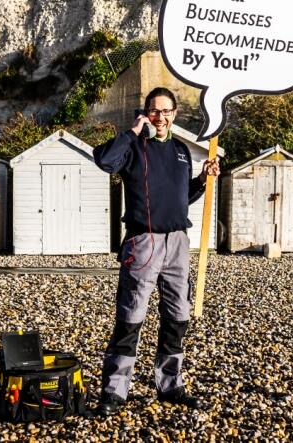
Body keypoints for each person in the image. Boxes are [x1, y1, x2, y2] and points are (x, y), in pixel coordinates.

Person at [91, 87, 219, 416]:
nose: (159, 117)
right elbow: (105, 161)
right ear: (144, 113)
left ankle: (170, 384)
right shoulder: (133, 146)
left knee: (178, 316)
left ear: (175, 114)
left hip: (177, 242)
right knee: (131, 316)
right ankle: (115, 391)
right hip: (142, 242)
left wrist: (203, 180)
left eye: (166, 111)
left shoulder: (180, 151)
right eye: (153, 111)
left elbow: (180, 198)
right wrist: (134, 130)